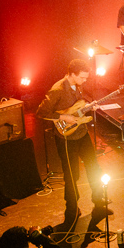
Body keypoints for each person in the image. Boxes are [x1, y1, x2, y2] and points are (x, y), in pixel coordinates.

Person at [36, 59, 106, 221]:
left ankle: (99, 202)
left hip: (81, 132)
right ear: (72, 74)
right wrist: (63, 117)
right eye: (82, 77)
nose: (84, 80)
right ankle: (72, 210)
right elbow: (41, 112)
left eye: (86, 78)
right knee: (72, 175)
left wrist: (89, 107)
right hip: (66, 138)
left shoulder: (77, 85)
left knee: (94, 168)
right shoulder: (58, 89)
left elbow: (76, 109)